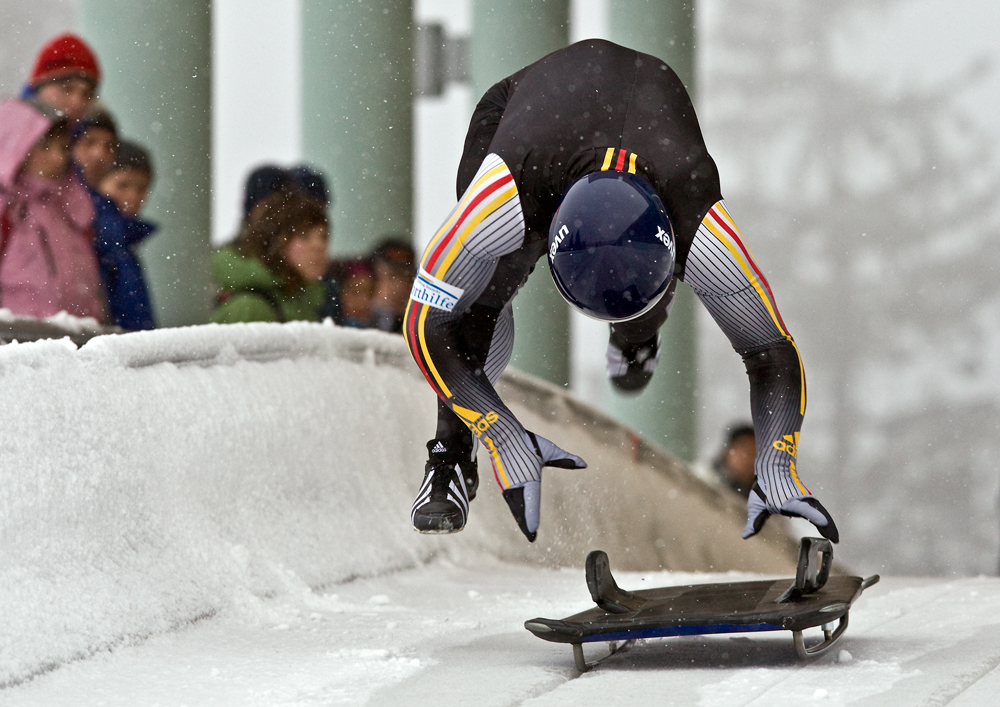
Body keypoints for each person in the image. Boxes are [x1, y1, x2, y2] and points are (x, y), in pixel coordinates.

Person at [403, 39, 838, 545]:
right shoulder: (507, 193)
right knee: (483, 296)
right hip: (519, 119)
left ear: (673, 252)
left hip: (612, 144)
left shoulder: (694, 210)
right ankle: (451, 457)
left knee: (637, 314)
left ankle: (635, 335)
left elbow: (770, 350)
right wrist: (500, 432)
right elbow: (426, 324)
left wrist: (777, 463)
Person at [0, 98, 104, 321]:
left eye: (64, 148)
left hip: (76, 341)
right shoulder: (6, 211)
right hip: (14, 345)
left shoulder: (75, 210)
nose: (58, 158)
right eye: (45, 146)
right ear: (14, 145)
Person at [211, 189, 329, 324]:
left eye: (324, 237)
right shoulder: (250, 309)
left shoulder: (305, 302)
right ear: (275, 242)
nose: (319, 246)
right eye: (304, 236)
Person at [94, 140, 158, 330]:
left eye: (142, 188)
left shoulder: (124, 241)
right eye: (123, 185)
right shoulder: (100, 236)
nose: (133, 197)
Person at [24, 33, 101, 124]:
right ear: (39, 87)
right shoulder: (7, 131)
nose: (77, 103)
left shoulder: (98, 133)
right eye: (67, 89)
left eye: (87, 94)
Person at [369, 238, 415, 333]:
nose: (400, 286)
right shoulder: (356, 319)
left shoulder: (417, 325)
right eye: (393, 276)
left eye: (408, 277)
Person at [72, 107, 118, 190]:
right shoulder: (47, 197)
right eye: (89, 143)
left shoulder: (107, 202)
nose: (99, 155)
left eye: (109, 147)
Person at [712, 424, 757, 496]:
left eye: (756, 455)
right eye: (747, 451)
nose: (749, 461)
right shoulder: (704, 479)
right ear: (728, 451)